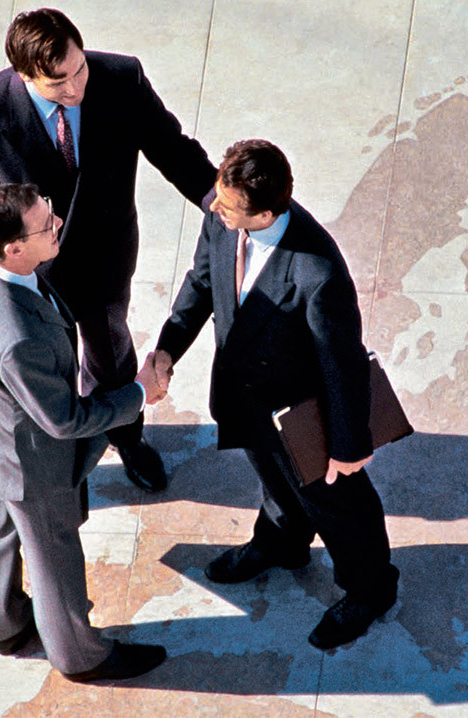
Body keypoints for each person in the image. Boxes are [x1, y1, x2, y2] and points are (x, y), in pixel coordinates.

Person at [0, 7, 217, 493]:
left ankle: (126, 437)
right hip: (32, 278)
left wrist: (219, 202)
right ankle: (53, 466)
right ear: (24, 75)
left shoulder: (121, 78)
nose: (75, 89)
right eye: (58, 83)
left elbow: (172, 148)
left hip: (105, 260)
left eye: (79, 70)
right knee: (44, 377)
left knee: (111, 357)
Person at [152, 140, 400, 649]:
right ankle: (283, 541)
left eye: (228, 205)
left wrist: (348, 447)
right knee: (272, 479)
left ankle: (371, 590)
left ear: (265, 214)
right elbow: (202, 282)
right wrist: (167, 349)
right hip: (247, 397)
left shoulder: (317, 273)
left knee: (340, 507)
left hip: (303, 415)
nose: (214, 208)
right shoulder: (222, 213)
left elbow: (342, 364)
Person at [0, 183, 168, 682]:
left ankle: (3, 625)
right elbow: (65, 420)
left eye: (49, 210)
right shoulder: (16, 337)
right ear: (14, 248)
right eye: (46, 224)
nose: (58, 224)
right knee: (54, 559)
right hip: (30, 462)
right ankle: (79, 656)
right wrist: (138, 394)